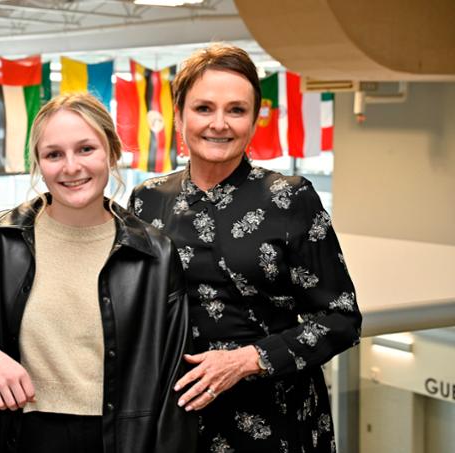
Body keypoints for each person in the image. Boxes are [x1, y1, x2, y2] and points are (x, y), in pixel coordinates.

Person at [0, 93, 197, 453]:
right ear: (39, 163)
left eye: (86, 149)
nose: (70, 167)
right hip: (21, 435)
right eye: (54, 154)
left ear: (112, 152)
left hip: (121, 442)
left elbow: (173, 380)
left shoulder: (154, 253)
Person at [129, 44, 362, 452]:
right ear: (179, 113)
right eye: (204, 108)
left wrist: (247, 360)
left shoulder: (290, 198)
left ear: (254, 120)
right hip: (178, 417)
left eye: (236, 110)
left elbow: (341, 319)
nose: (219, 124)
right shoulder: (147, 199)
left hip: (276, 417)